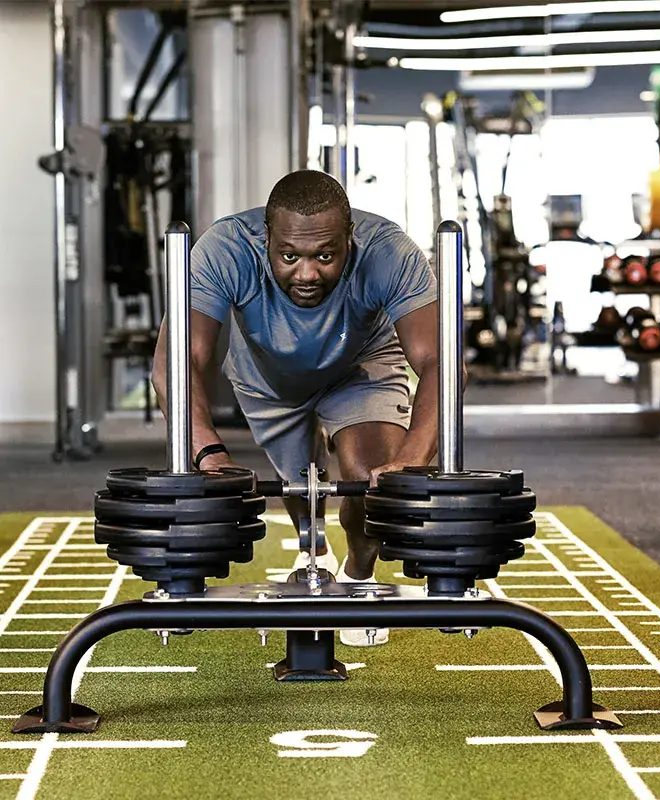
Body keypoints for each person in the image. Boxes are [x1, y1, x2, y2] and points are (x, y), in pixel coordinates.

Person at [150, 170, 441, 647]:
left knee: (370, 478)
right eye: (289, 256)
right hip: (266, 376)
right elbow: (175, 364)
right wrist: (209, 457)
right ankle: (314, 545)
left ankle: (358, 576)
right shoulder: (225, 248)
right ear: (266, 238)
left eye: (325, 256)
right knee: (299, 481)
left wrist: (412, 459)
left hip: (360, 364)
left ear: (350, 239)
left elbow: (442, 365)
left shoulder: (389, 251)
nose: (307, 274)